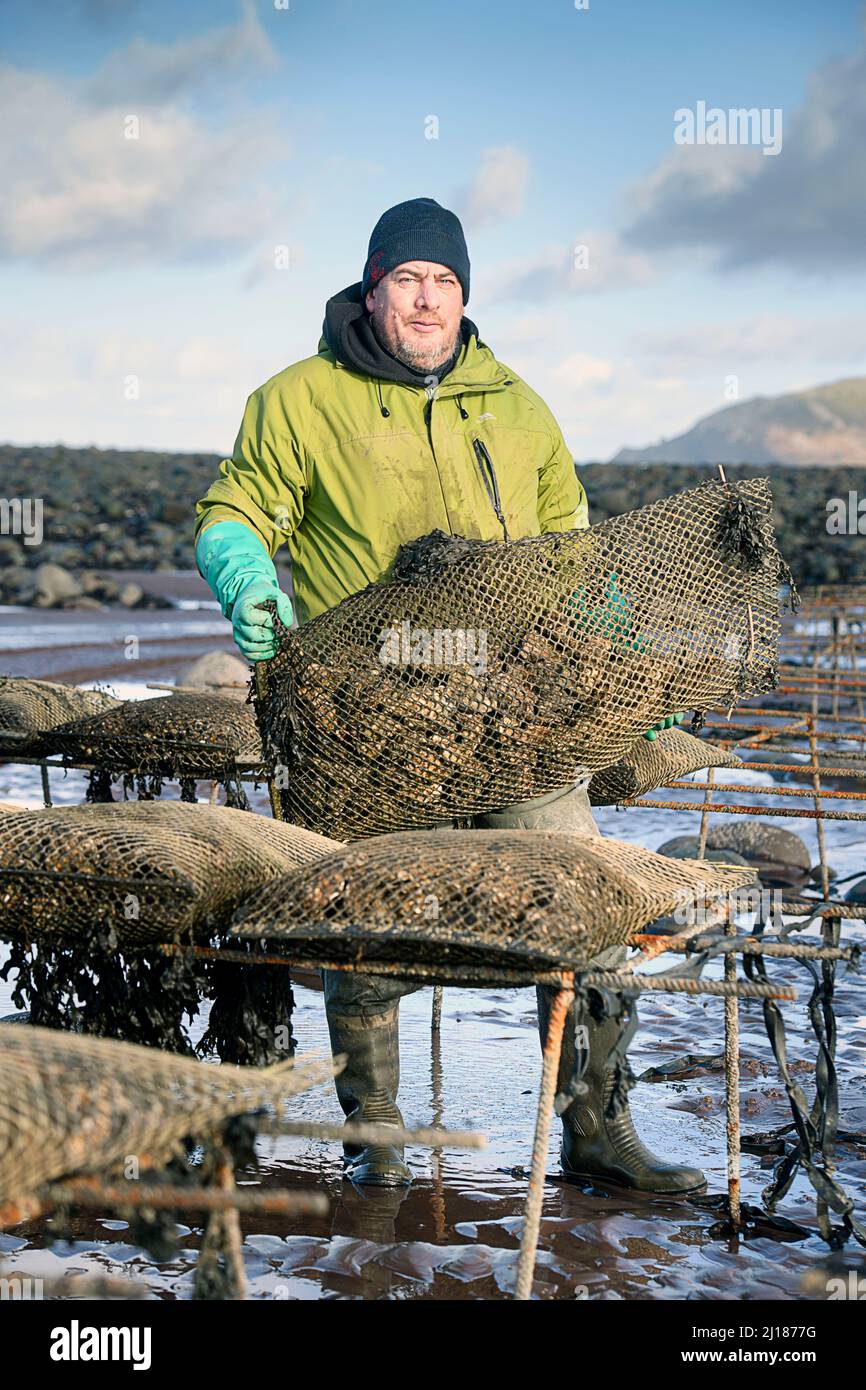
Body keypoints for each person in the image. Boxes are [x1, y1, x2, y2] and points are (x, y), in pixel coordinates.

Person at [194, 197, 703, 1196]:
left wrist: (633, 665)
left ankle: (597, 1129)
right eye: (406, 280)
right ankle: (373, 1137)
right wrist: (244, 576)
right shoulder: (298, 399)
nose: (425, 299)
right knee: (364, 920)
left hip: (512, 711)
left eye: (444, 282)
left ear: (463, 295)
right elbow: (234, 508)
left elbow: (576, 554)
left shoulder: (515, 405)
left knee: (586, 898)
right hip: (364, 719)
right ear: (372, 287)